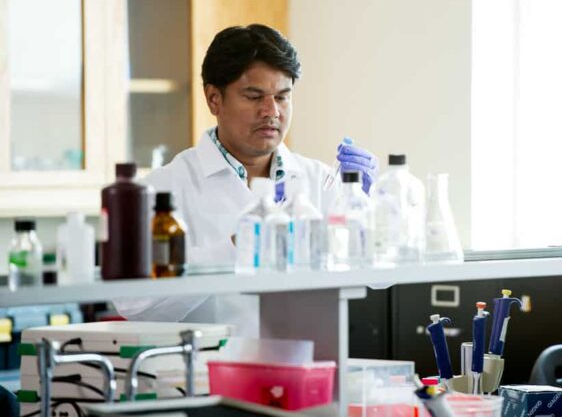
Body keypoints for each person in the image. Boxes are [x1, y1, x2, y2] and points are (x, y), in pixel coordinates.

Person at [114, 24, 378, 325]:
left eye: (282, 97)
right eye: (254, 96)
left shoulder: (319, 180)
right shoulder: (164, 188)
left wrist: (367, 208)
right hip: (209, 368)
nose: (271, 111)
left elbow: (379, 279)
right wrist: (236, 246)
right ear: (214, 98)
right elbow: (135, 304)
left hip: (308, 365)